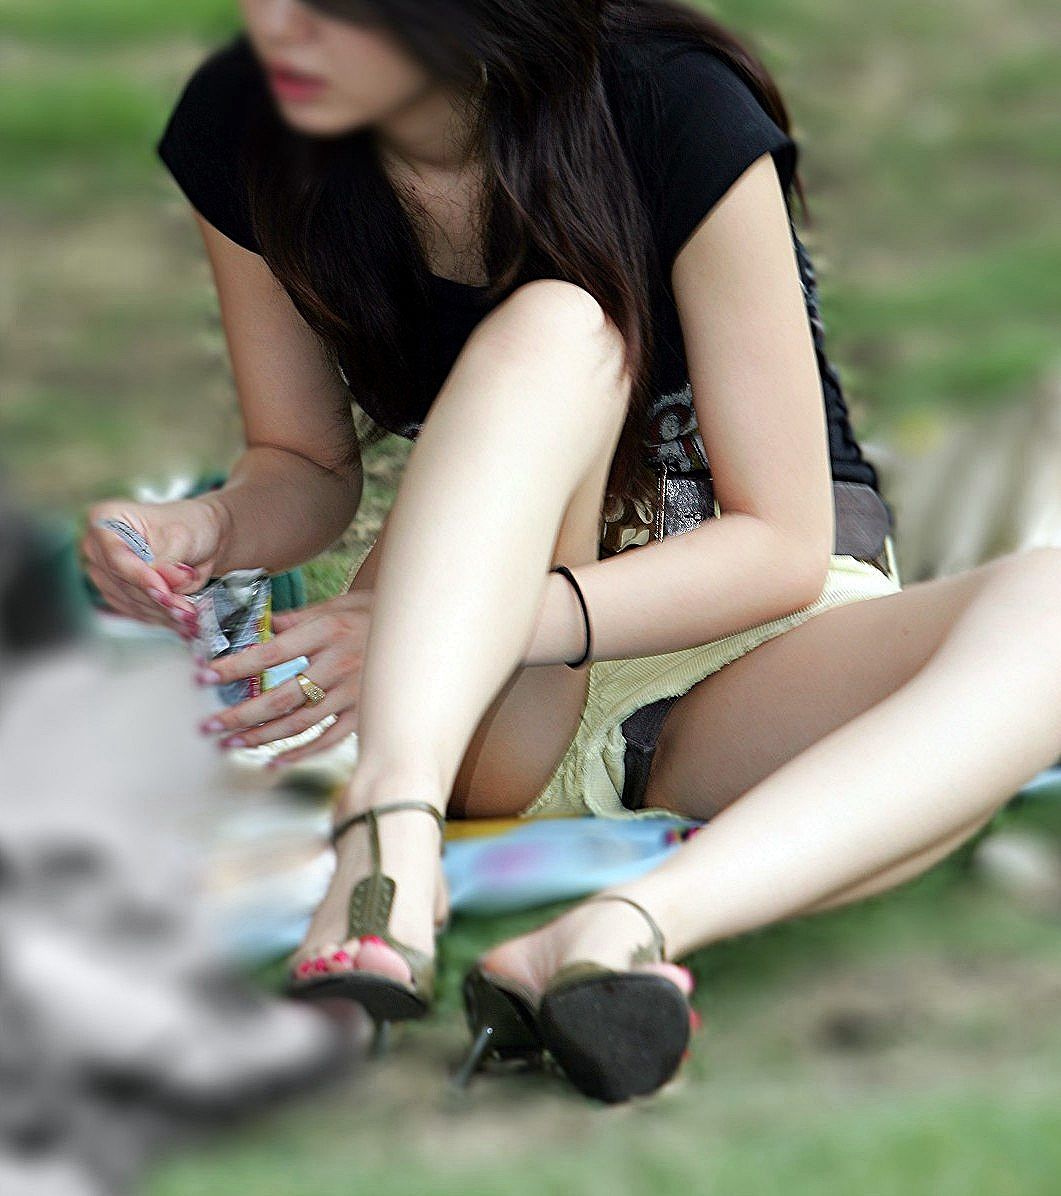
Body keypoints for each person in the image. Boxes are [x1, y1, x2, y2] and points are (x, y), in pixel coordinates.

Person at [79, 0, 1061, 1104]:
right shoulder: (248, 121)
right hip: (485, 710)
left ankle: (616, 933)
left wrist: (458, 619)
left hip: (750, 647)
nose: (276, 25)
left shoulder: (672, 105)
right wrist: (205, 530)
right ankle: (384, 837)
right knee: (560, 324)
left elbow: (782, 545)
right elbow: (301, 464)